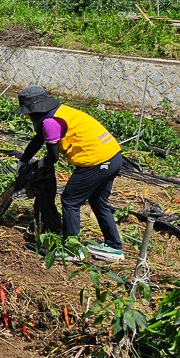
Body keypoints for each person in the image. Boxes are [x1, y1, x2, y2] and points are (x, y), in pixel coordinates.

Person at [15, 86, 124, 263]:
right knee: (98, 202)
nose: (26, 116)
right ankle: (114, 247)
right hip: (113, 156)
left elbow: (53, 157)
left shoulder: (50, 123)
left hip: (96, 162)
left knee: (70, 200)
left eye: (26, 112)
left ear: (33, 110)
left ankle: (72, 249)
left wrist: (38, 164)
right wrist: (23, 160)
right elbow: (38, 140)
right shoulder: (60, 111)